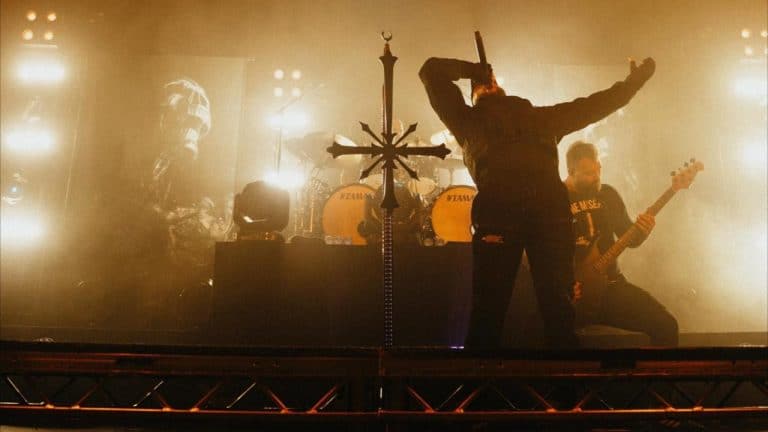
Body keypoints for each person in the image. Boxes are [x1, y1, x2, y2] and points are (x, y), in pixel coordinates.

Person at [419, 53, 655, 348]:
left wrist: (472, 72)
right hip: (546, 218)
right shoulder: (525, 119)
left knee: (493, 313)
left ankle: (485, 376)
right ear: (480, 92)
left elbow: (432, 71)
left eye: (488, 80)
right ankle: (560, 378)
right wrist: (633, 83)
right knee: (556, 313)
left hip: (509, 217)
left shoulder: (475, 121)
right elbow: (597, 105)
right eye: (484, 81)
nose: (489, 82)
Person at [565, 141, 678, 346]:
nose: (597, 176)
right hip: (572, 296)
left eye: (598, 169)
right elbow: (540, 255)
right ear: (572, 172)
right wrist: (564, 284)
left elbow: (630, 238)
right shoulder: (556, 200)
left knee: (667, 325)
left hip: (611, 288)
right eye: (589, 173)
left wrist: (643, 231)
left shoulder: (608, 194)